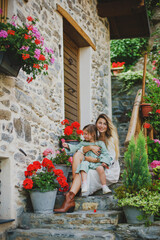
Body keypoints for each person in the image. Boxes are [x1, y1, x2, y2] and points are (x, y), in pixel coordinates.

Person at [54, 113, 120, 213]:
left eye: (104, 124)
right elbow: (81, 147)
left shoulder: (109, 139)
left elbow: (110, 158)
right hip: (92, 164)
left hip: (106, 169)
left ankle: (70, 197)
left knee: (83, 171)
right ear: (96, 124)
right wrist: (89, 147)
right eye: (100, 123)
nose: (102, 126)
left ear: (108, 126)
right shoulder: (93, 136)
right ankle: (71, 195)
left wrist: (95, 160)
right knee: (77, 155)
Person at [63, 124, 112, 194]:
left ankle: (104, 186)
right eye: (83, 134)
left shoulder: (100, 143)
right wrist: (68, 146)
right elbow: (76, 147)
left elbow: (105, 154)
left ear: (92, 134)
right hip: (87, 162)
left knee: (101, 169)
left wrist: (104, 162)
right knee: (83, 168)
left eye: (86, 134)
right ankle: (84, 184)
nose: (84, 136)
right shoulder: (83, 143)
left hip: (97, 162)